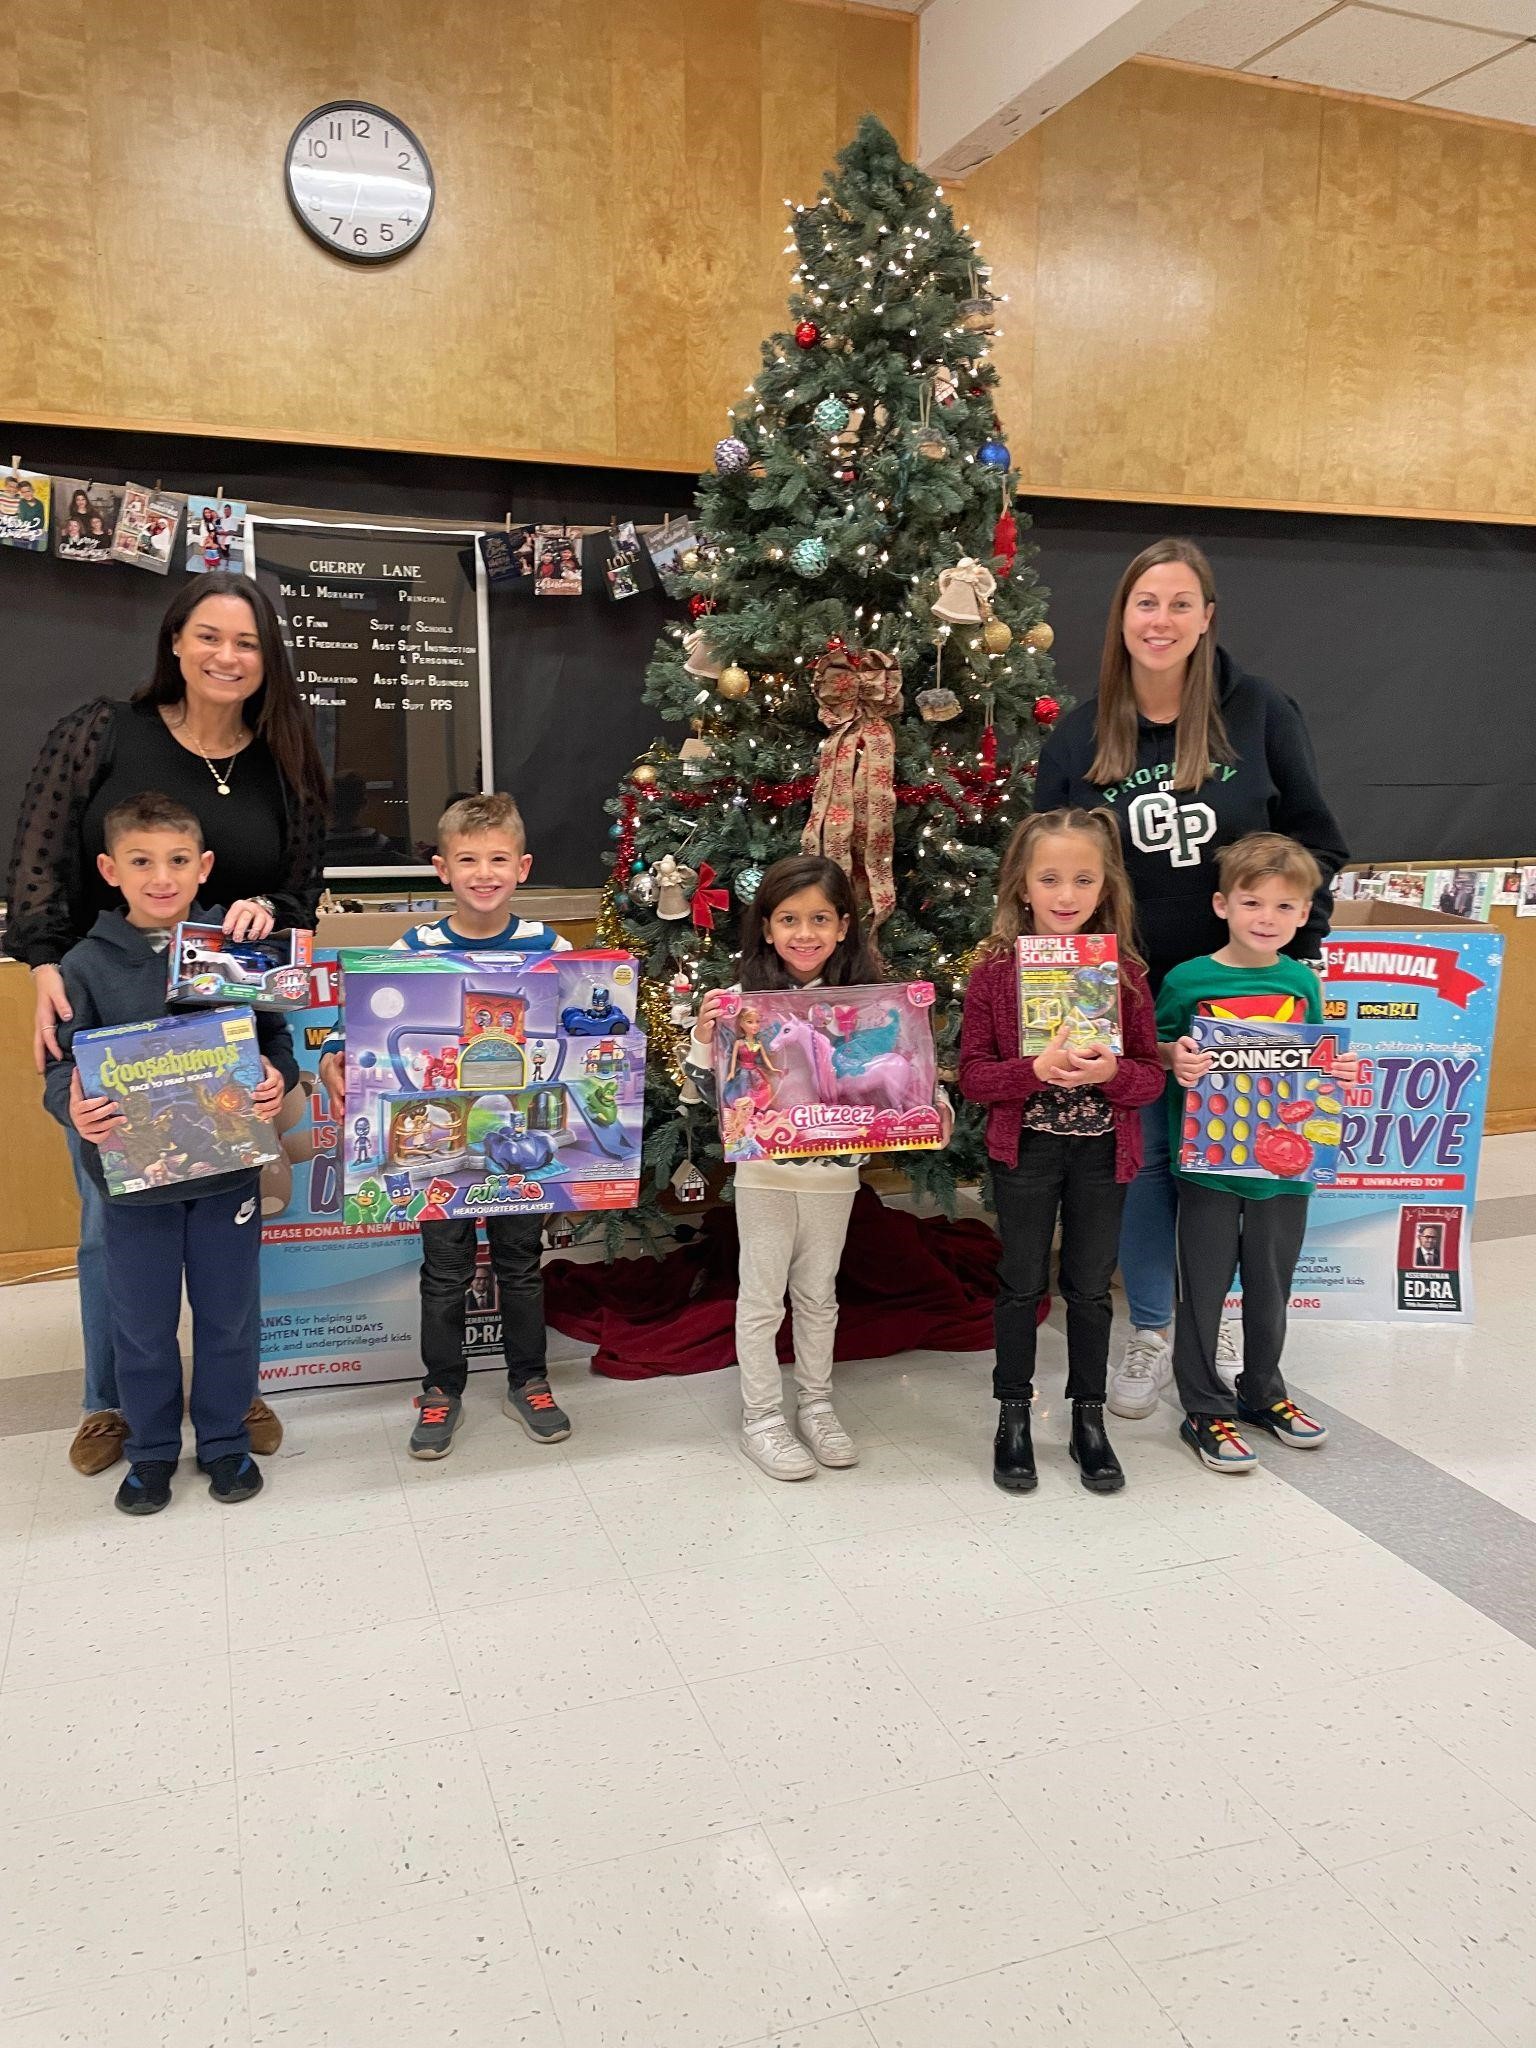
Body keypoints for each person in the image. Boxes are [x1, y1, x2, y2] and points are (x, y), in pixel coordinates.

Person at [5, 571, 328, 1476]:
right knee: (113, 1221)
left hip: (229, 1020)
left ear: (268, 659)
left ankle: (232, 1394)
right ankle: (112, 1404)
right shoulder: (104, 732)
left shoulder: (287, 759)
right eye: (209, 636)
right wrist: (43, 968)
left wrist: (269, 909)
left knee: (231, 1219)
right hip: (114, 1007)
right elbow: (36, 862)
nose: (228, 656)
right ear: (175, 642)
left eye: (248, 642)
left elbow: (300, 893)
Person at [1033, 538, 1347, 1423]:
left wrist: (1290, 955)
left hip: (1241, 995)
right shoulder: (1081, 732)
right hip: (1127, 998)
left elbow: (1317, 844)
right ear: (1122, 618)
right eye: (1146, 603)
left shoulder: (1262, 713)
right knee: (1149, 1165)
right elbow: (1047, 866)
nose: (1161, 620)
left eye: (1179, 603)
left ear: (1207, 617)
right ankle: (1152, 1328)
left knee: (1237, 1167)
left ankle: (1214, 1328)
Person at [41, 793, 297, 1515]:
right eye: (142, 861)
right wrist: (73, 1109)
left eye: (178, 860)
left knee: (227, 1318)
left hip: (227, 1181)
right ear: (110, 870)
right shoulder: (84, 965)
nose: (162, 877)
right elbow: (59, 1068)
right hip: (133, 1189)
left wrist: (276, 1079)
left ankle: (223, 1441)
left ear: (204, 865)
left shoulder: (233, 949)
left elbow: (274, 1043)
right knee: (142, 1327)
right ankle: (151, 1450)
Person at [959, 809, 1164, 1495]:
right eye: (1049, 879)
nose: (1066, 894)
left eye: (1083, 879)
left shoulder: (1124, 973)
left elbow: (1149, 1078)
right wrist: (1034, 1071)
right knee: (1021, 1282)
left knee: (1089, 1289)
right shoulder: (995, 973)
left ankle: (1088, 1418)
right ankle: (1013, 1414)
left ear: (1105, 888)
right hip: (1027, 1151)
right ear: (1022, 885)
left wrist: (1112, 1073)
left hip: (1104, 1153)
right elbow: (976, 1077)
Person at [373, 793, 574, 1459]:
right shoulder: (413, 948)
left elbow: (583, 1041)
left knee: (520, 1263)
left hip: (520, 1144)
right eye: (467, 860)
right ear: (442, 868)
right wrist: (347, 1057)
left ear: (522, 867)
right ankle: (440, 1388)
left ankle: (530, 1380)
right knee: (444, 1268)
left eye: (497, 860)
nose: (483, 873)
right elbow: (371, 1029)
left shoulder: (550, 949)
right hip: (441, 1143)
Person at [1156, 833, 1360, 1471]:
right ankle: (1204, 1407)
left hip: (1286, 1170)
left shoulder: (1300, 980)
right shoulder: (1188, 979)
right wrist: (1173, 1056)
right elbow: (1156, 1047)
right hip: (1210, 1164)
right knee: (1204, 1288)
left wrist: (1339, 1071)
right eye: (1252, 902)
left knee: (1272, 1286)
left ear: (1304, 914)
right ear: (1222, 905)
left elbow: (1316, 1056)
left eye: (1283, 906)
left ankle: (1263, 1391)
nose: (1266, 918)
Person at [686, 854, 889, 1482]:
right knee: (762, 1297)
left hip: (833, 1176)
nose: (805, 933)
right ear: (768, 928)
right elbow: (705, 1094)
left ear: (844, 926)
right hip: (766, 1175)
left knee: (818, 1294)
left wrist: (924, 1105)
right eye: (789, 919)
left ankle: (817, 1405)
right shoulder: (742, 1006)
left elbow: (886, 1084)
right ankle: (762, 1417)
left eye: (820, 919)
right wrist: (704, 1037)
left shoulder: (865, 1003)